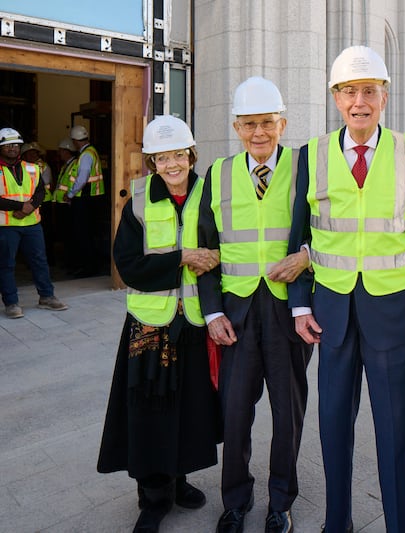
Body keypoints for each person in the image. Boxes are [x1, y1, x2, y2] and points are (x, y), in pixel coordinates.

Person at [288, 45, 405, 533]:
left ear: (385, 96)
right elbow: (299, 236)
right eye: (349, 91)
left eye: (369, 91)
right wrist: (297, 305)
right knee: (333, 426)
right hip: (331, 314)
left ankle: (400, 525)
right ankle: (339, 523)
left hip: (395, 315)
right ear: (336, 99)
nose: (360, 101)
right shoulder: (309, 156)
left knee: (395, 431)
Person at [197, 76, 313, 533]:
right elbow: (205, 249)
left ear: (283, 123)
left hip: (289, 313)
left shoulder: (305, 169)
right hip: (236, 313)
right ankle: (235, 501)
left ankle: (280, 502)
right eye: (249, 125)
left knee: (288, 415)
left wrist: (306, 257)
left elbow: (324, 230)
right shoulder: (219, 174)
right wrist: (211, 312)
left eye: (268, 123)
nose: (259, 133)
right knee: (235, 414)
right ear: (236, 127)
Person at [97, 115, 222, 532]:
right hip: (151, 325)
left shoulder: (211, 193)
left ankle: (179, 478)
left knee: (188, 407)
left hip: (194, 322)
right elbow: (128, 265)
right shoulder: (138, 200)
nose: (172, 164)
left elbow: (226, 247)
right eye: (162, 157)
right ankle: (153, 496)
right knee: (151, 411)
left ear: (191, 155)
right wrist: (183, 258)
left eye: (178, 155)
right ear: (151, 162)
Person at [0, 127, 68, 319]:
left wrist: (29, 207)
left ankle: (47, 296)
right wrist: (20, 206)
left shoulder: (32, 168)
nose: (12, 148)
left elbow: (40, 191)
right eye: (7, 145)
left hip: (32, 224)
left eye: (15, 144)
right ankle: (11, 303)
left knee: (40, 261)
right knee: (6, 264)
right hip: (6, 225)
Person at [66, 124, 105, 277]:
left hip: (85, 199)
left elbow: (82, 178)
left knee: (84, 234)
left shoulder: (86, 155)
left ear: (76, 141)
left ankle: (88, 268)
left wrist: (70, 194)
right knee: (89, 233)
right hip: (92, 199)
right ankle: (91, 266)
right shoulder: (92, 151)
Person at [20, 142, 56, 263]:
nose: (33, 155)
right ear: (24, 155)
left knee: (45, 232)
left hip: (43, 203)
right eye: (30, 153)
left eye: (35, 153)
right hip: (27, 204)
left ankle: (48, 258)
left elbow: (43, 182)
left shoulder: (43, 166)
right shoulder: (20, 166)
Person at [52, 137, 79, 270]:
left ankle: (72, 263)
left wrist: (69, 196)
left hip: (68, 204)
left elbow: (74, 183)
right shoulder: (66, 165)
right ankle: (69, 262)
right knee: (66, 235)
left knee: (70, 236)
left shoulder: (74, 165)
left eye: (61, 151)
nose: (59, 153)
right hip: (62, 203)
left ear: (67, 151)